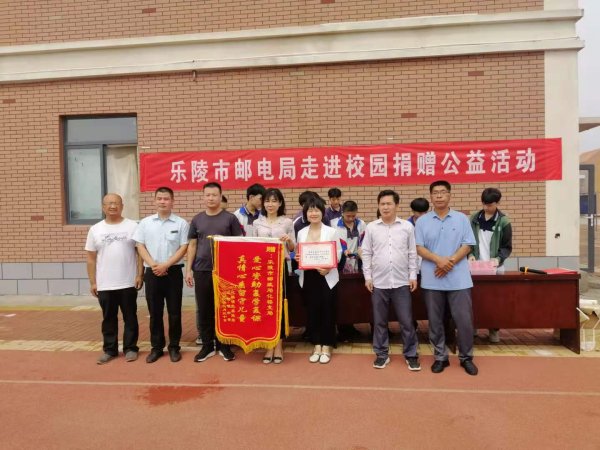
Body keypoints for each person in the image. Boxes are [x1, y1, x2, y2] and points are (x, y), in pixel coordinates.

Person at [415, 180, 479, 376]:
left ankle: (466, 357)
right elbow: (419, 247)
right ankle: (440, 357)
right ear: (431, 196)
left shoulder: (461, 219)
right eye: (435, 192)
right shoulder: (422, 221)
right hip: (432, 279)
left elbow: (468, 245)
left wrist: (449, 262)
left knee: (464, 320)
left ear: (450, 195)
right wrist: (438, 260)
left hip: (459, 279)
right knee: (435, 321)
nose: (439, 195)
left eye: (443, 192)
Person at [362, 190, 420, 370]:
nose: (385, 207)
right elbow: (366, 253)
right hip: (378, 283)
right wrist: (368, 276)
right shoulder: (371, 227)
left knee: (406, 321)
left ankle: (411, 355)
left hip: (402, 282)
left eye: (389, 203)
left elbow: (412, 253)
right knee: (379, 321)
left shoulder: (407, 227)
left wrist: (413, 275)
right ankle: (381, 354)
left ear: (397, 205)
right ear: (378, 206)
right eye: (382, 204)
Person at [186, 182, 243, 363]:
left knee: (224, 308)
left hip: (225, 270)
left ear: (220, 196)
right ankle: (207, 346)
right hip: (202, 269)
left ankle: (224, 345)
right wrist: (188, 270)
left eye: (214, 195)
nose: (210, 198)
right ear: (203, 197)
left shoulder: (230, 219)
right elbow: (192, 245)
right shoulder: (197, 219)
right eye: (207, 195)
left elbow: (239, 244)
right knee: (204, 308)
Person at [85, 193, 143, 365]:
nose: (112, 206)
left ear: (122, 206)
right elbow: (91, 258)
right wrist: (93, 282)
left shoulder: (132, 226)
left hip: (128, 281)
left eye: (116, 203)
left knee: (130, 317)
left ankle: (130, 348)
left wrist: (140, 274)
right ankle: (110, 350)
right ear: (103, 207)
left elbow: (140, 253)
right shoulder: (95, 229)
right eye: (109, 203)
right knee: (108, 318)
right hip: (105, 283)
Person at [133, 187, 189, 363]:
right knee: (155, 313)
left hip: (173, 272)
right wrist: (153, 264)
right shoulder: (145, 223)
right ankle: (156, 348)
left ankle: (174, 347)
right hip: (152, 272)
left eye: (166, 199)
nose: (163, 201)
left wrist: (166, 264)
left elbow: (184, 247)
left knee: (174, 312)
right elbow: (140, 246)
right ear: (154, 201)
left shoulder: (181, 223)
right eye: (159, 198)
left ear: (172, 201)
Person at [251, 188, 295, 364]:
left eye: (274, 200)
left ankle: (279, 345)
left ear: (280, 203)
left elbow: (292, 248)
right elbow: (253, 246)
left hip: (280, 266)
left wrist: (288, 240)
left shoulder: (287, 222)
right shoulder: (257, 223)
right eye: (267, 201)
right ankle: (269, 344)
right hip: (262, 268)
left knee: (279, 305)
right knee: (265, 306)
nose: (270, 204)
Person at [295, 196, 342, 364]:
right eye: (310, 210)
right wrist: (298, 257)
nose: (313, 213)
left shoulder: (331, 231)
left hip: (326, 276)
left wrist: (328, 267)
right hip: (309, 277)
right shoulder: (301, 232)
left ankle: (327, 345)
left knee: (327, 310)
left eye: (316, 210)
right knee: (312, 310)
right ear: (305, 213)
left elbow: (338, 253)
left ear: (322, 212)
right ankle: (316, 345)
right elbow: (299, 253)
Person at [468, 187, 513, 343]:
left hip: (495, 268)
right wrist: (470, 254)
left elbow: (507, 246)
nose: (487, 207)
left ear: (497, 203)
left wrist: (498, 259)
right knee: (473, 299)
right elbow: (467, 240)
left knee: (494, 301)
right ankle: (472, 327)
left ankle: (494, 329)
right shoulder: (473, 219)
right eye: (484, 204)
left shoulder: (504, 221)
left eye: (490, 205)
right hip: (475, 266)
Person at [331, 200, 366, 342]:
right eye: (348, 216)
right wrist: (342, 251)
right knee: (342, 296)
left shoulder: (361, 224)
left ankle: (351, 326)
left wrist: (361, 251)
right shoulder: (334, 224)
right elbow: (333, 243)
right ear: (342, 213)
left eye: (353, 216)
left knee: (354, 295)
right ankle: (342, 329)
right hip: (341, 263)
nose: (351, 219)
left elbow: (364, 241)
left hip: (357, 262)